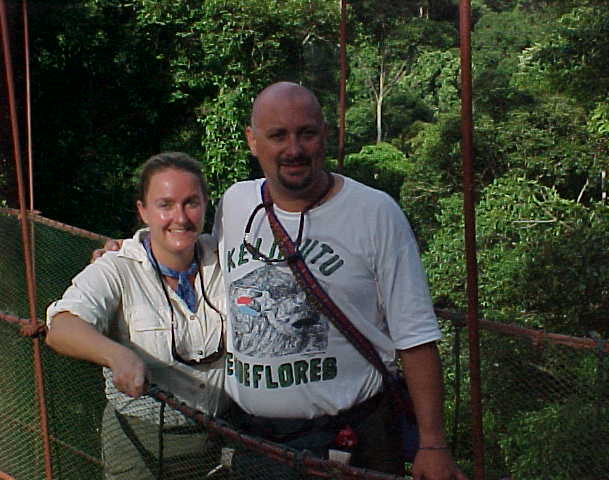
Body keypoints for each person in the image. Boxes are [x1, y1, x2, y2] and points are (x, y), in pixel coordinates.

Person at [213, 82, 466, 480]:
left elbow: (415, 335)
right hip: (254, 443)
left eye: (306, 134)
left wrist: (433, 444)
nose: (293, 149)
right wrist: (132, 250)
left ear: (324, 135)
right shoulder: (234, 202)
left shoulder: (375, 213)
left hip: (348, 442)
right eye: (278, 135)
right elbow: (192, 258)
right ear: (252, 141)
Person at [46, 152, 228, 479]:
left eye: (191, 202)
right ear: (143, 211)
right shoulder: (116, 267)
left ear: (206, 205)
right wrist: (117, 355)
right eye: (165, 205)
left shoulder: (227, 260)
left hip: (219, 439)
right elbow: (62, 326)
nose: (180, 217)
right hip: (139, 441)